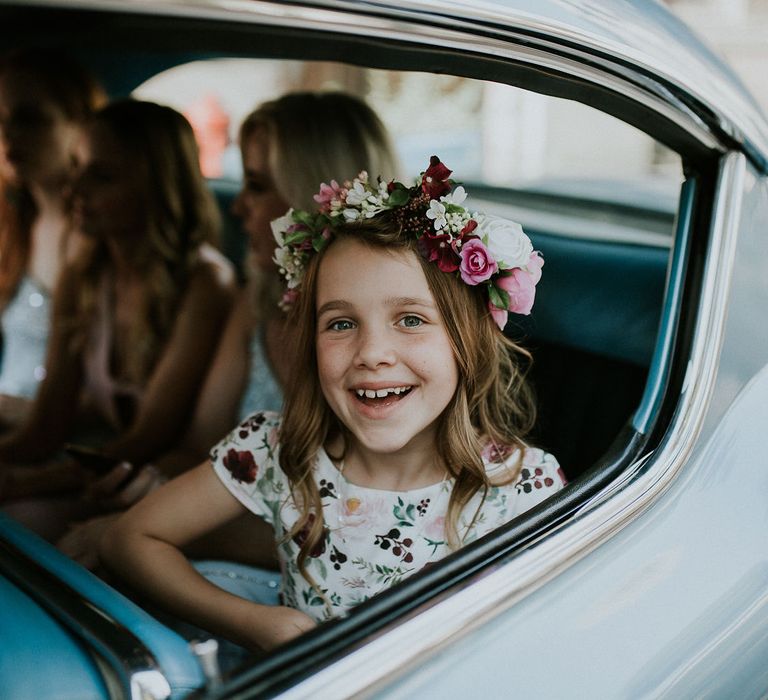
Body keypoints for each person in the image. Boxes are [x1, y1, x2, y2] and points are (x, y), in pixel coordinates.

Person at [102, 156, 565, 654]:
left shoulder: (524, 488)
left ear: (466, 341)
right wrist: (254, 623)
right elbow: (129, 539)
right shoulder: (277, 449)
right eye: (341, 324)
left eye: (410, 320)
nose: (371, 354)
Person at [56, 92, 399, 570]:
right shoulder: (256, 303)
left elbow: (359, 534)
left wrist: (148, 529)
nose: (237, 207)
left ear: (315, 194)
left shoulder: (385, 347)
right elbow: (201, 449)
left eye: (256, 186)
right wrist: (147, 486)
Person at [0, 100, 236, 536]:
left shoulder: (207, 284)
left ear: (156, 187)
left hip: (160, 486)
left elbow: (149, 438)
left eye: (102, 176)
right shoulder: (85, 274)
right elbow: (46, 425)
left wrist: (22, 483)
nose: (75, 191)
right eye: (77, 168)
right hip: (97, 468)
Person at [0, 49, 105, 426]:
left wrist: (26, 413)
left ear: (80, 125)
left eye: (30, 119)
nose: (10, 135)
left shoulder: (110, 239)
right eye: (3, 120)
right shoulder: (11, 225)